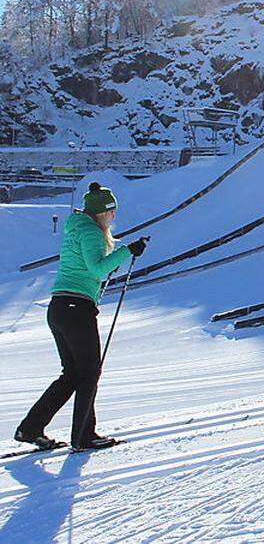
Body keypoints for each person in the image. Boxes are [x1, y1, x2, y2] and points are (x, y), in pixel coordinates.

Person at [14, 182, 149, 452]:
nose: (114, 217)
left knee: (72, 374)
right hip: (76, 309)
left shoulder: (79, 228)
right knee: (89, 372)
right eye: (112, 212)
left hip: (61, 308)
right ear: (103, 212)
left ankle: (30, 429)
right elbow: (97, 267)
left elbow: (90, 261)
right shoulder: (90, 232)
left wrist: (124, 249)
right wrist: (127, 252)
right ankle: (83, 436)